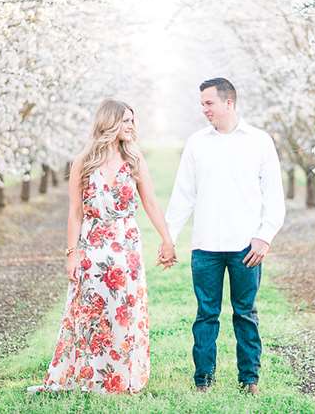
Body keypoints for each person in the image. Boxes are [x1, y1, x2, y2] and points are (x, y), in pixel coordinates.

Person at [28, 99, 177, 395]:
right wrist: (72, 254)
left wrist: (167, 238)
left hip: (126, 245)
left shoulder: (134, 159)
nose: (131, 126)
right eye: (125, 121)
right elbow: (75, 212)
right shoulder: (84, 161)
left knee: (124, 309)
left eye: (133, 121)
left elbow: (149, 202)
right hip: (93, 245)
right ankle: (89, 375)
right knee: (92, 312)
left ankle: (121, 378)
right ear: (109, 123)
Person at [165, 78, 285, 395]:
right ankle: (203, 378)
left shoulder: (259, 141)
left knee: (245, 314)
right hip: (205, 246)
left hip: (247, 247)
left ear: (228, 102)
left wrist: (265, 236)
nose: (203, 109)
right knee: (206, 315)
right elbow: (183, 195)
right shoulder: (196, 143)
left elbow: (273, 196)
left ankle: (250, 379)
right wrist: (169, 237)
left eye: (208, 103)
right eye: (202, 103)